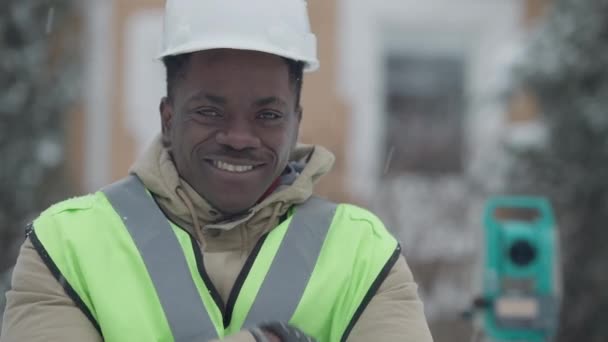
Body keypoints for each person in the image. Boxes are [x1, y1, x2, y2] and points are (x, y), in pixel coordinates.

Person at [0, 0, 433, 341]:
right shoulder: (66, 248)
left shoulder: (363, 255)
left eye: (267, 115)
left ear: (295, 122)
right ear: (168, 118)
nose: (239, 137)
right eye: (210, 111)